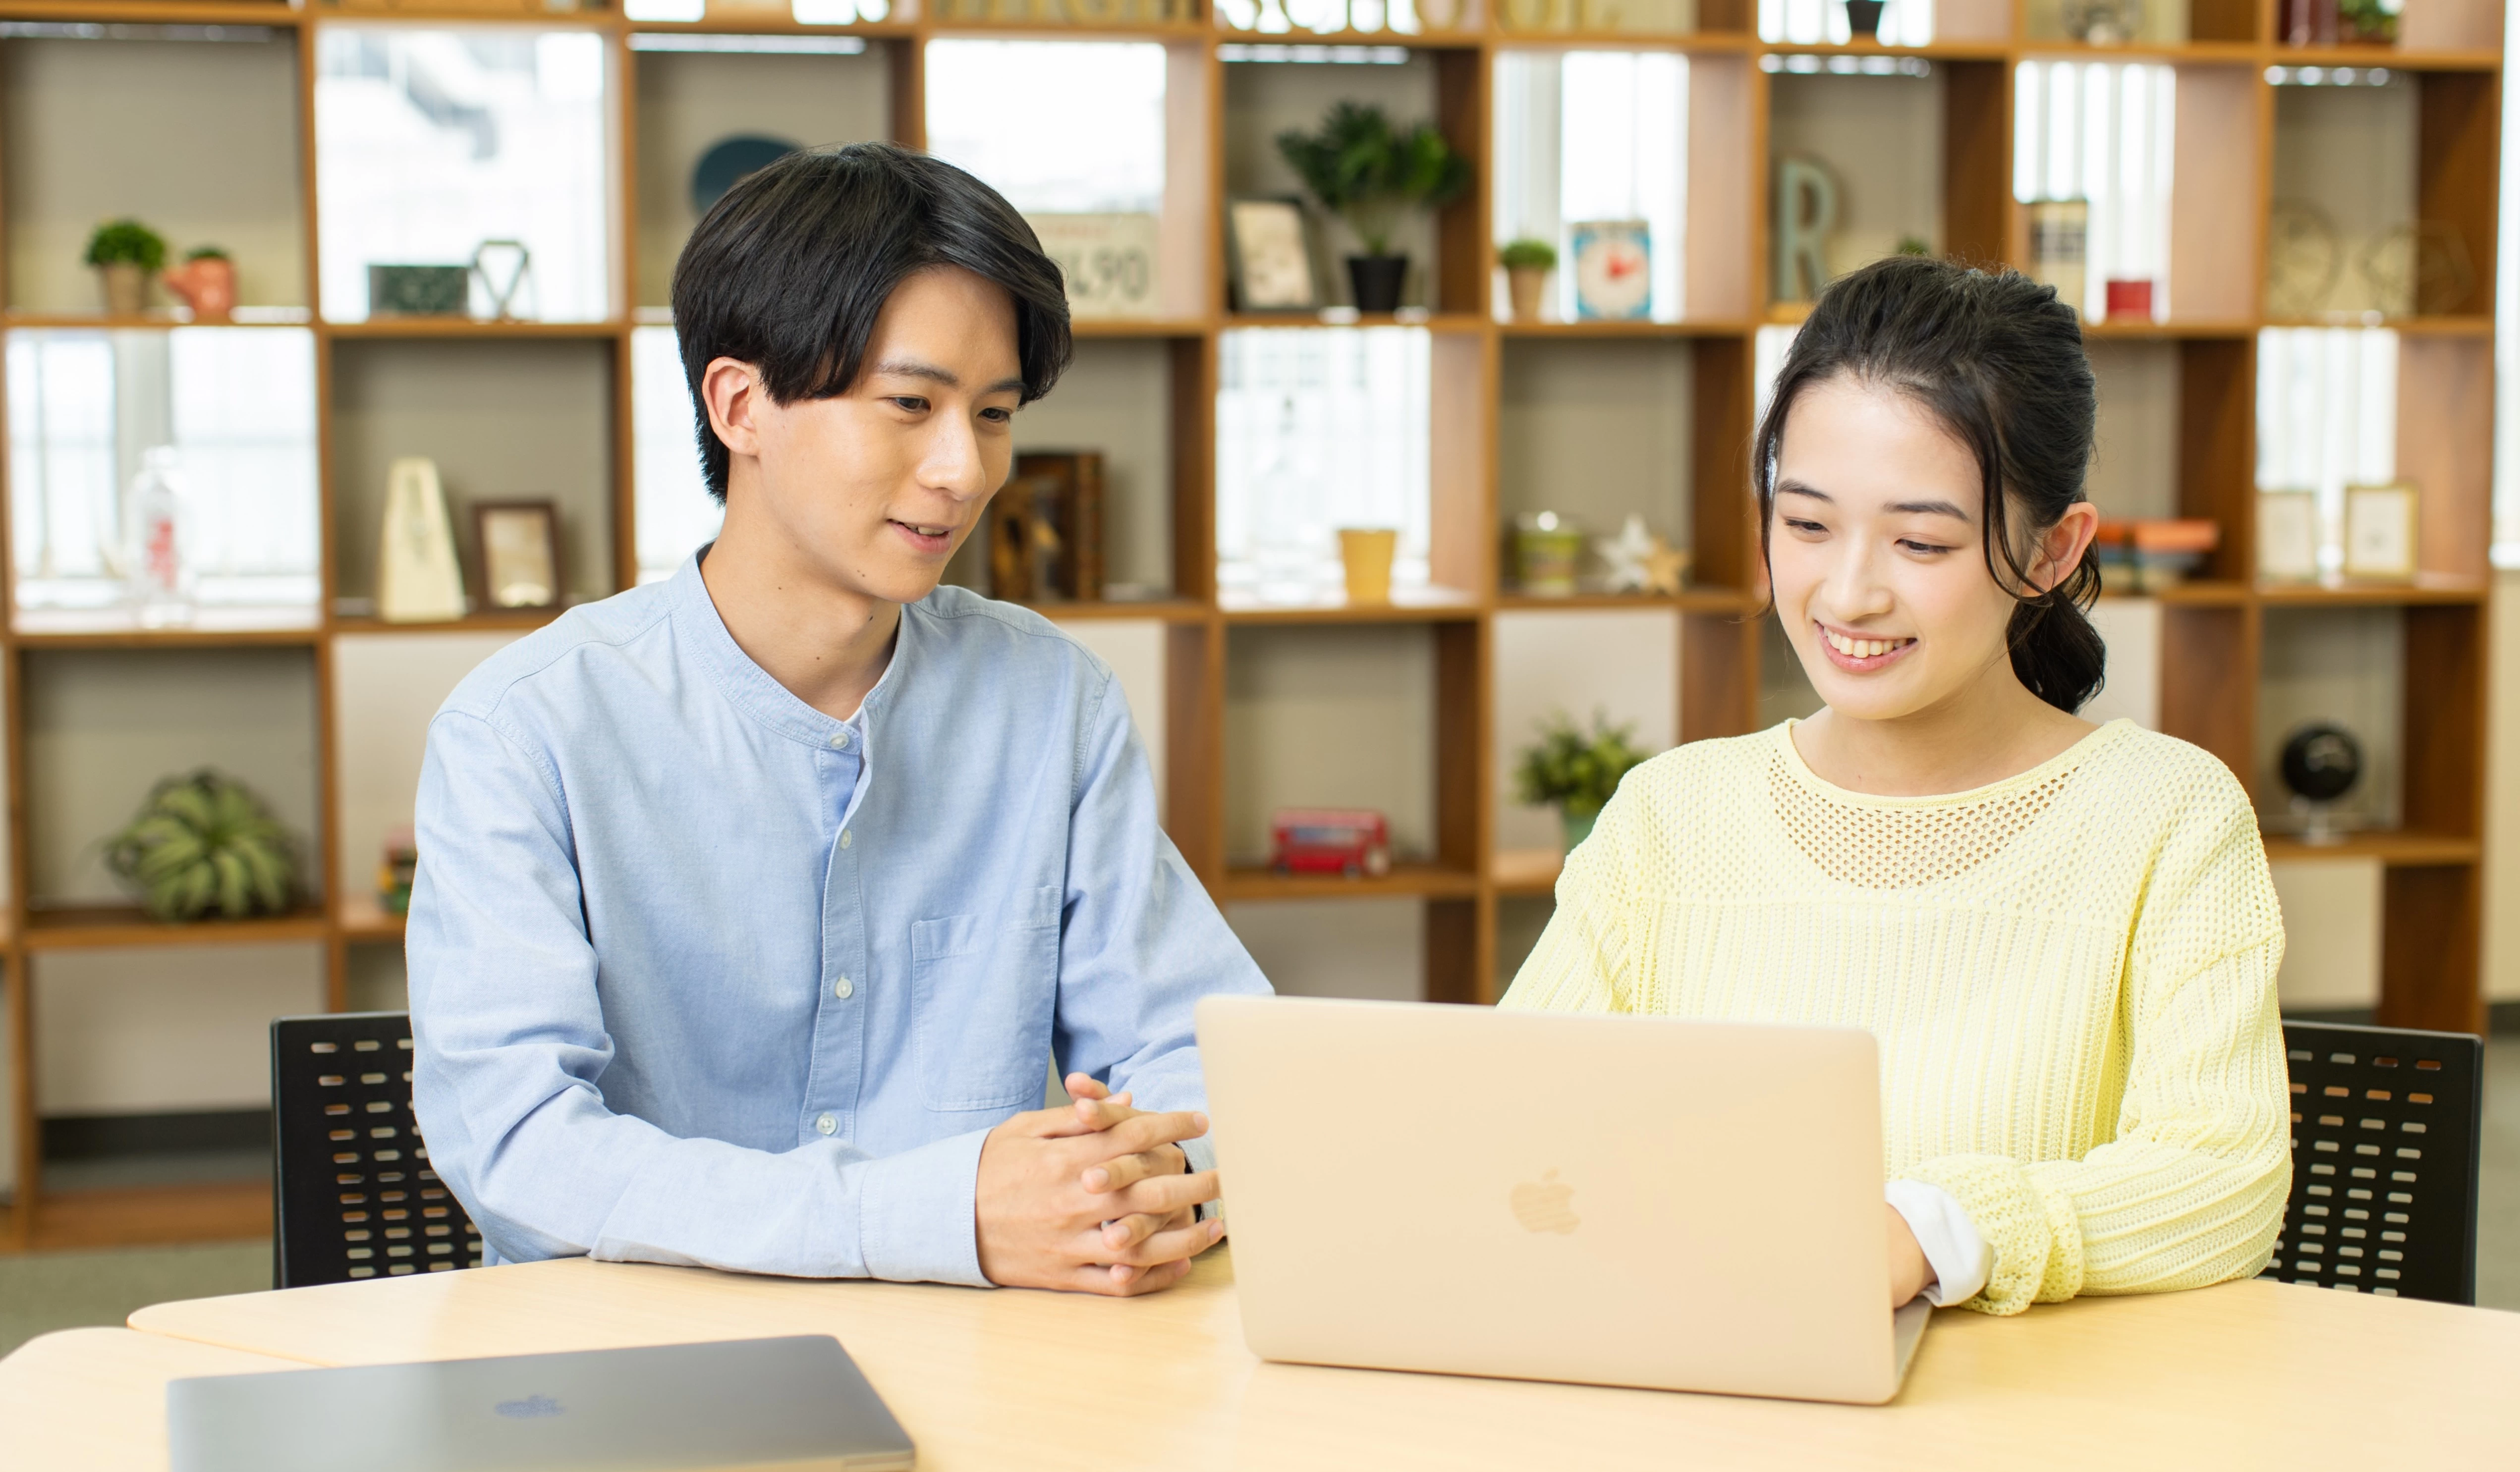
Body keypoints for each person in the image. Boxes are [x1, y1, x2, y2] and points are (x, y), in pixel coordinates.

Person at [408, 143, 1269, 1296]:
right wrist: (933, 1217)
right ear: (740, 404)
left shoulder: (1051, 704)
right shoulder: (526, 732)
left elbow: (1205, 1061)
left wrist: (1147, 1184)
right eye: (910, 405)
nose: (964, 470)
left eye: (996, 414)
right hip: (638, 1366)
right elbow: (520, 1150)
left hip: (1002, 1359)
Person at [1502, 256, 2289, 1315]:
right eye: (1808, 525)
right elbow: (1506, 1126)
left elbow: (2224, 1185)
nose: (1848, 593)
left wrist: (1932, 1234)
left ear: (2054, 551)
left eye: (1920, 541)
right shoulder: (1668, 819)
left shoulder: (2165, 817)